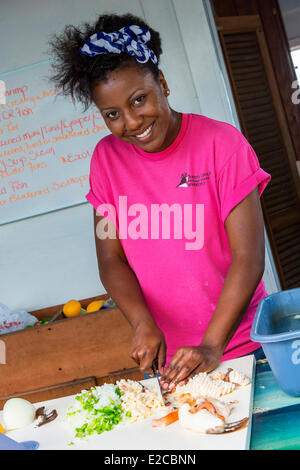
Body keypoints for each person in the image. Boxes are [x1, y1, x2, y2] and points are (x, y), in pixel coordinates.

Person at [49, 12, 270, 391]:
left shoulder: (222, 145)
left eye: (139, 100)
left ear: (162, 84)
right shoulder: (106, 161)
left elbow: (249, 258)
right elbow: (111, 259)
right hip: (177, 364)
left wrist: (213, 345)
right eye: (112, 114)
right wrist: (141, 321)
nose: (131, 122)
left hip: (243, 347)